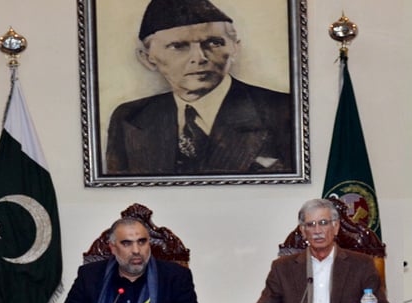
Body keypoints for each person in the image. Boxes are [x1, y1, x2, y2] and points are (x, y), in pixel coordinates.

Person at [105, 0, 293, 176]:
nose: (199, 57)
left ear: (235, 48)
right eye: (178, 46)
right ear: (147, 59)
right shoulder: (130, 117)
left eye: (214, 43)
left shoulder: (283, 110)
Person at [248, 198, 393, 303]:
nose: (317, 230)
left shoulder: (361, 264)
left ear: (335, 227)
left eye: (323, 223)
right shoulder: (283, 268)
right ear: (303, 231)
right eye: (310, 225)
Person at [58, 217, 203, 303]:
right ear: (113, 248)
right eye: (127, 243)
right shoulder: (90, 275)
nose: (136, 250)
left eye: (142, 242)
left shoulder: (176, 276)